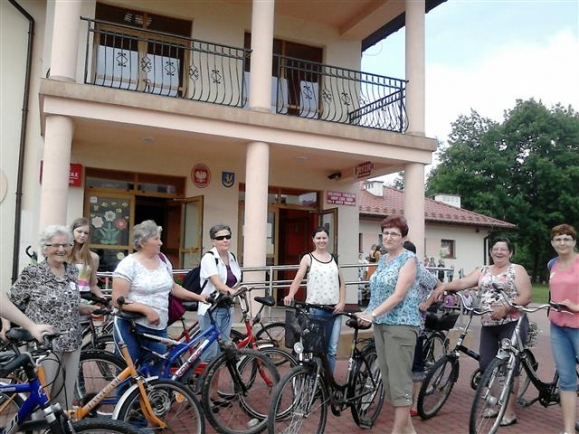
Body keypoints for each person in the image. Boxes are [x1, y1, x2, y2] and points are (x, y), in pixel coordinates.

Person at [433, 236, 532, 427]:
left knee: (508, 367)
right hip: (489, 324)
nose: (499, 252)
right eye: (495, 249)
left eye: (503, 249)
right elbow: (463, 283)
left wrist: (506, 307)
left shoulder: (516, 270)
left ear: (510, 252)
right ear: (490, 252)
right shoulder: (483, 270)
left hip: (512, 322)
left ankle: (509, 412)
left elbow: (526, 296)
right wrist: (445, 286)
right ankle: (495, 403)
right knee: (487, 363)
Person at [2, 225, 91, 410]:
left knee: (65, 396)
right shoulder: (33, 273)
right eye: (56, 245)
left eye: (66, 245)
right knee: (43, 396)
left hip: (72, 341)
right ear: (45, 248)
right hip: (45, 344)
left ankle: (59, 427)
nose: (61, 249)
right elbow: (10, 300)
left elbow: (69, 302)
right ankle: (38, 428)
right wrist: (5, 324)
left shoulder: (73, 271)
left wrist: (88, 308)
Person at [112, 220, 208, 377]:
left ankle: (150, 401)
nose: (161, 242)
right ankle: (126, 400)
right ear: (143, 242)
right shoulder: (128, 264)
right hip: (131, 325)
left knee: (155, 367)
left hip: (158, 326)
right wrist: (145, 309)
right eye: (156, 239)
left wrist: (199, 297)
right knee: (130, 370)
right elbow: (117, 300)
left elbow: (174, 288)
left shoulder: (162, 259)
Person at [356, 215, 420, 434]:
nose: (389, 237)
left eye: (394, 233)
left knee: (400, 381)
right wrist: (366, 312)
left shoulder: (408, 259)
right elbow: (378, 294)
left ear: (403, 237)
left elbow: (399, 294)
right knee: (389, 379)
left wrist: (372, 314)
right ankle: (408, 431)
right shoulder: (383, 259)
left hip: (401, 325)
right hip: (382, 325)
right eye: (386, 233)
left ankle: (396, 431)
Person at [284, 226, 346, 373]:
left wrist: (342, 302)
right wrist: (291, 294)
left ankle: (328, 383)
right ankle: (313, 381)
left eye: (324, 238)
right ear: (313, 240)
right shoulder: (308, 258)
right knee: (314, 348)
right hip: (315, 309)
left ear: (328, 239)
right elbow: (298, 278)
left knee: (331, 349)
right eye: (318, 238)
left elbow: (342, 283)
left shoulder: (334, 259)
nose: (321, 240)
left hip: (334, 310)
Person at [197, 224, 242, 409]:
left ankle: (213, 392)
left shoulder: (231, 257)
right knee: (209, 355)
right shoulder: (209, 258)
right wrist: (234, 292)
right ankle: (203, 396)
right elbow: (217, 283)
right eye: (220, 237)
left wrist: (238, 292)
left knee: (221, 354)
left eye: (227, 236)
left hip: (226, 309)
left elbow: (236, 279)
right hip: (211, 310)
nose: (225, 240)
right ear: (213, 241)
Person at [547, 224, 579, 434]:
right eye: (558, 239)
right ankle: (568, 430)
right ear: (552, 243)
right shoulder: (552, 264)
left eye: (567, 238)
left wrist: (576, 307)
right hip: (558, 327)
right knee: (567, 379)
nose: (562, 242)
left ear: (574, 242)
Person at [403, 240, 441, 418]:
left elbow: (439, 285)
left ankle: (415, 402)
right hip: (395, 323)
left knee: (416, 364)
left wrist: (427, 302)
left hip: (415, 323)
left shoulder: (421, 272)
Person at [69, 217, 106, 317]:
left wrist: (104, 299)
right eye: (79, 231)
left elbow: (92, 284)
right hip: (66, 301)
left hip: (85, 300)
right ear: (72, 232)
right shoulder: (64, 254)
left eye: (86, 233)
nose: (82, 235)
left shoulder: (93, 257)